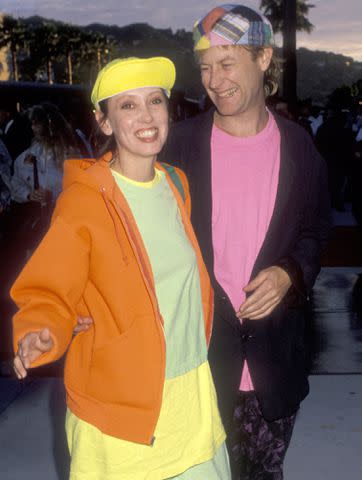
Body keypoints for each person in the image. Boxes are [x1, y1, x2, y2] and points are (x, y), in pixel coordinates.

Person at [12, 57, 230, 479]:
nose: (146, 116)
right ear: (104, 121)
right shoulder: (84, 203)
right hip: (120, 411)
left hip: (190, 395)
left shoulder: (176, 184)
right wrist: (41, 331)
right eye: (127, 106)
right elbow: (49, 289)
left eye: (154, 101)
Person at [161, 4, 331, 479]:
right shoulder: (177, 147)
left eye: (227, 62)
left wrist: (290, 273)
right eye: (206, 67)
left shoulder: (300, 148)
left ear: (262, 58)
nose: (214, 81)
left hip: (274, 364)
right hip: (196, 361)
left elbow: (317, 230)